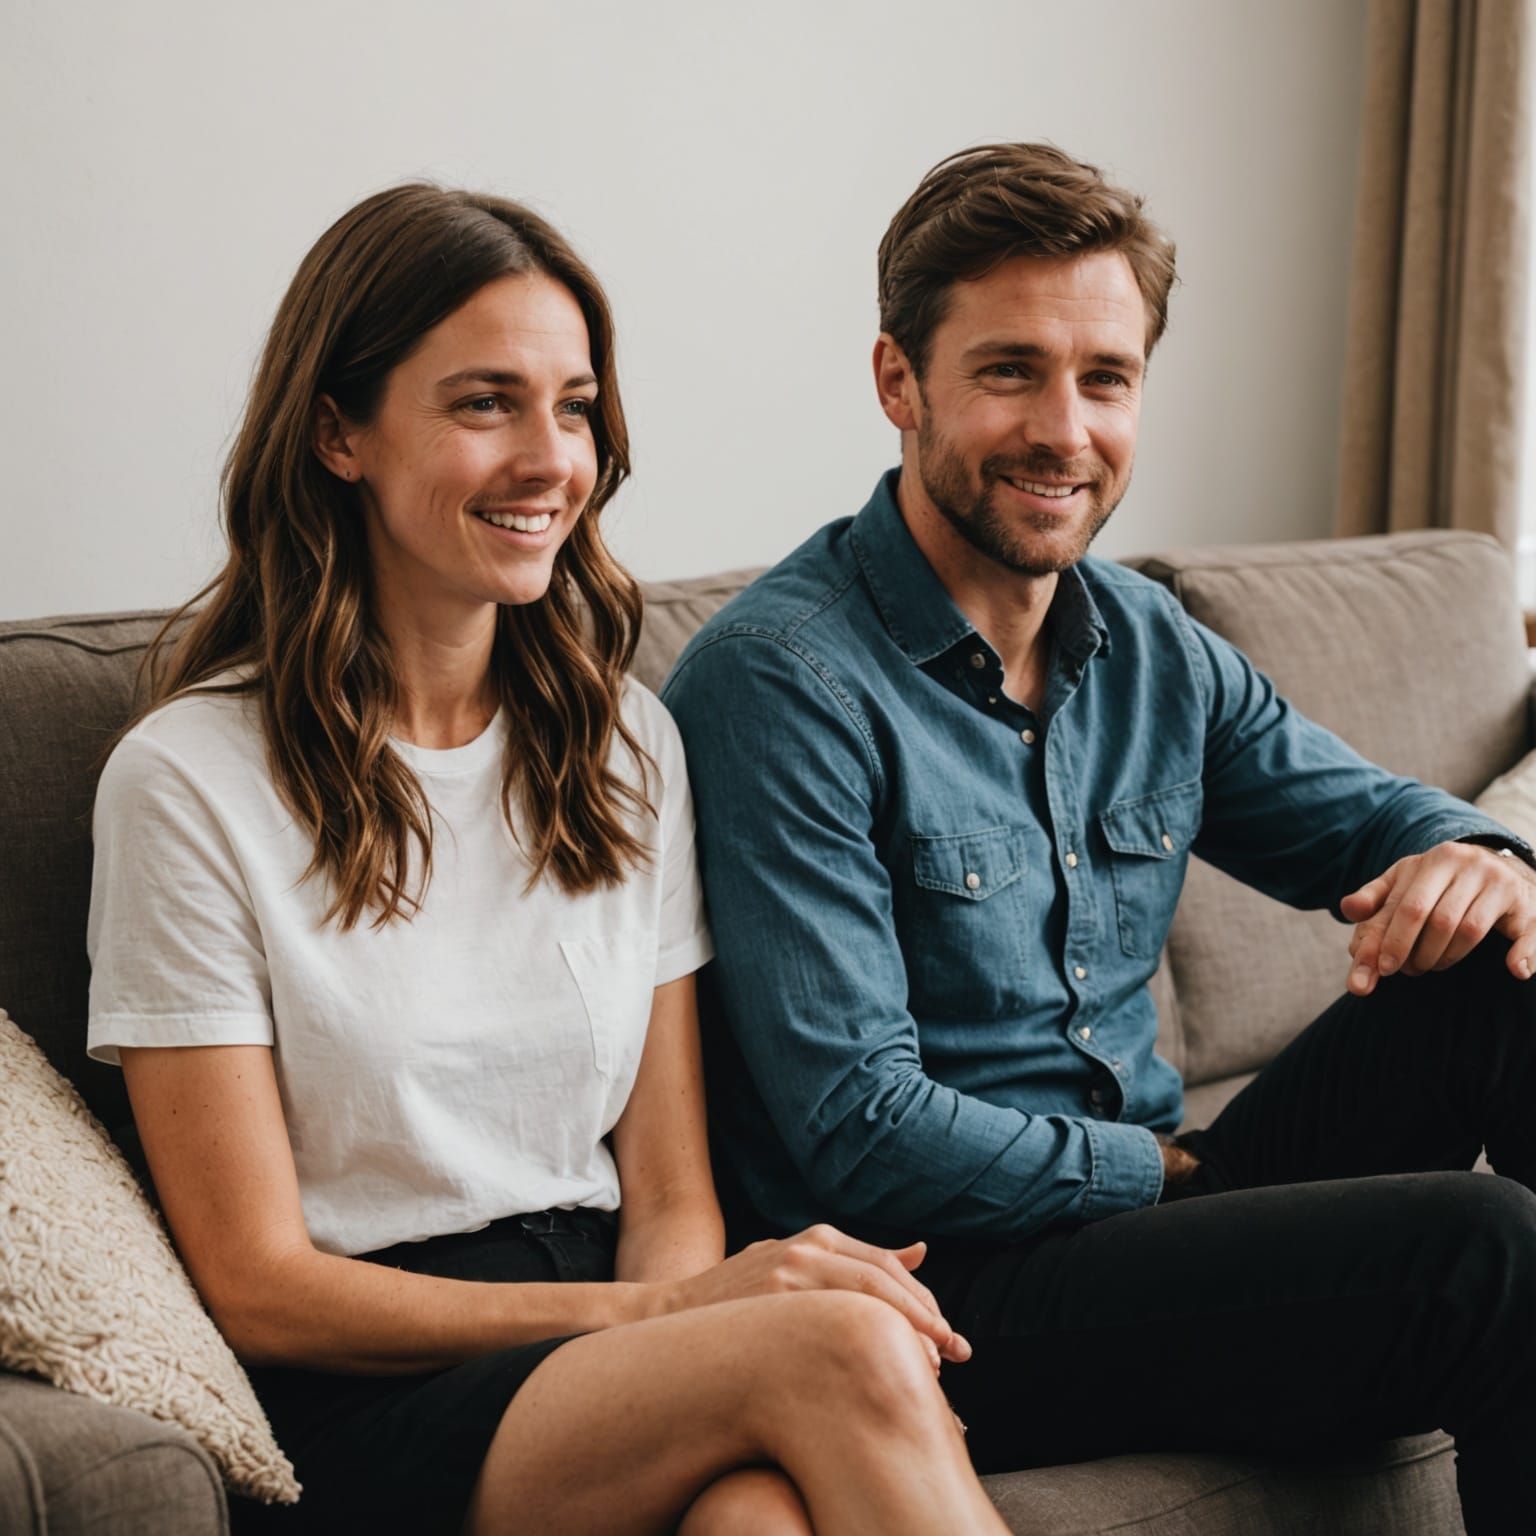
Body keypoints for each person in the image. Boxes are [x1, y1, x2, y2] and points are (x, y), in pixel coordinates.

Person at [84, 184, 1009, 1536]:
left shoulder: (626, 741)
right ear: (338, 431)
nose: (549, 459)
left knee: (754, 1522)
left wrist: (672, 1313)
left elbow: (674, 1193)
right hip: (362, 1393)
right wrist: (667, 1315)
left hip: (606, 1351)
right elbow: (256, 1283)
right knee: (840, 1340)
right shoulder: (187, 782)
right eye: (483, 404)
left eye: (573, 407)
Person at [661, 142, 1536, 1532]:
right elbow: (860, 1136)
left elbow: (1381, 819)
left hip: (1157, 1222)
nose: (1065, 430)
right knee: (1487, 1247)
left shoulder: (1146, 645)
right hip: (947, 1294)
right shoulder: (782, 683)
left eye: (1106, 378)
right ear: (899, 381)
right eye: (1010, 370)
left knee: (1512, 973)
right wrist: (1172, 1166)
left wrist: (1477, 861)